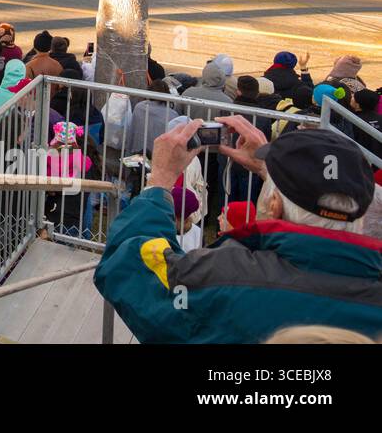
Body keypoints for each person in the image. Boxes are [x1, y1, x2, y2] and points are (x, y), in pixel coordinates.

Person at [95, 116, 382, 342]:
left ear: (274, 206)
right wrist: (272, 174)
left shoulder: (224, 276)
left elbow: (129, 263)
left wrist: (160, 179)